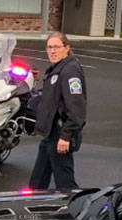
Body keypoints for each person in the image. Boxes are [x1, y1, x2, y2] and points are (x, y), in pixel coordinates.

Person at [28, 32, 87, 190]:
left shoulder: (70, 71)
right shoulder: (56, 69)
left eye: (56, 47)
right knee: (38, 180)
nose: (52, 51)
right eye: (49, 47)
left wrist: (66, 136)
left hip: (61, 135)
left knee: (65, 183)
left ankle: (75, 209)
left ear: (67, 48)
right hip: (50, 134)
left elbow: (76, 108)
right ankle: (32, 206)